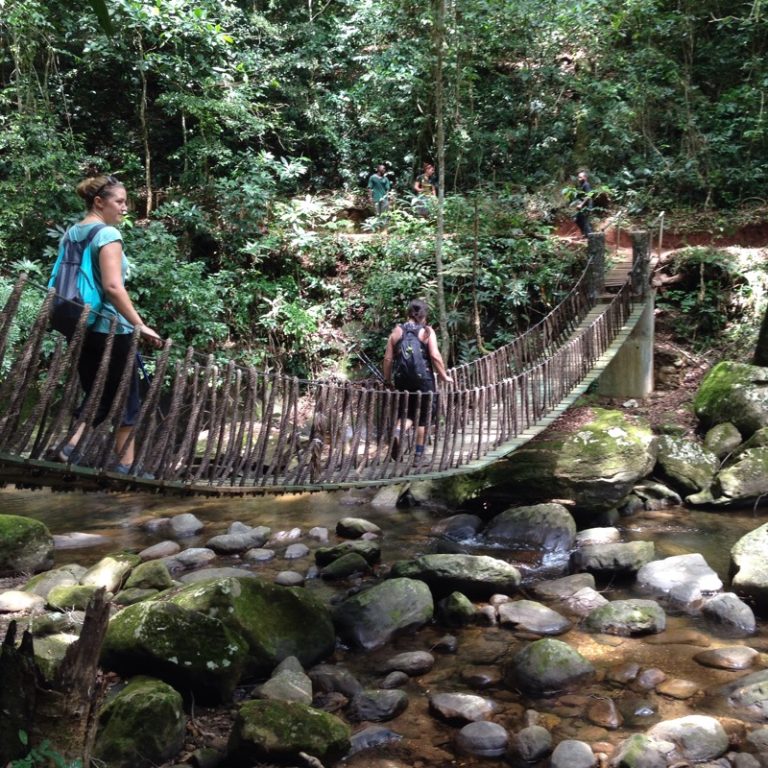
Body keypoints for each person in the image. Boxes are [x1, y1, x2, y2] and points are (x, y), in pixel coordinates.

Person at [55, 174, 163, 475]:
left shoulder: (73, 234)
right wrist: (139, 325)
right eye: (119, 201)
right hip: (110, 328)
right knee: (119, 393)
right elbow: (114, 287)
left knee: (107, 391)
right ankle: (80, 450)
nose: (125, 208)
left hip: (82, 325)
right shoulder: (106, 236)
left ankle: (110, 460)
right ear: (99, 202)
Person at [382, 299, 452, 464]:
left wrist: (387, 379)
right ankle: (418, 456)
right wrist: (443, 375)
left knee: (407, 412)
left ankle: (397, 433)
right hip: (423, 380)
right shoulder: (427, 332)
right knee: (423, 417)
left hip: (402, 380)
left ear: (408, 314)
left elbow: (387, 359)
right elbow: (435, 355)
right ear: (423, 315)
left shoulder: (397, 331)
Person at [574, 170, 593, 237]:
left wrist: (581, 204)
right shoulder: (582, 186)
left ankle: (590, 237)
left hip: (586, 206)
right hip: (583, 206)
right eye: (578, 177)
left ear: (585, 177)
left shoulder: (586, 185)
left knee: (584, 221)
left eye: (580, 177)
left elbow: (588, 196)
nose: (579, 179)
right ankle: (585, 234)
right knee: (578, 220)